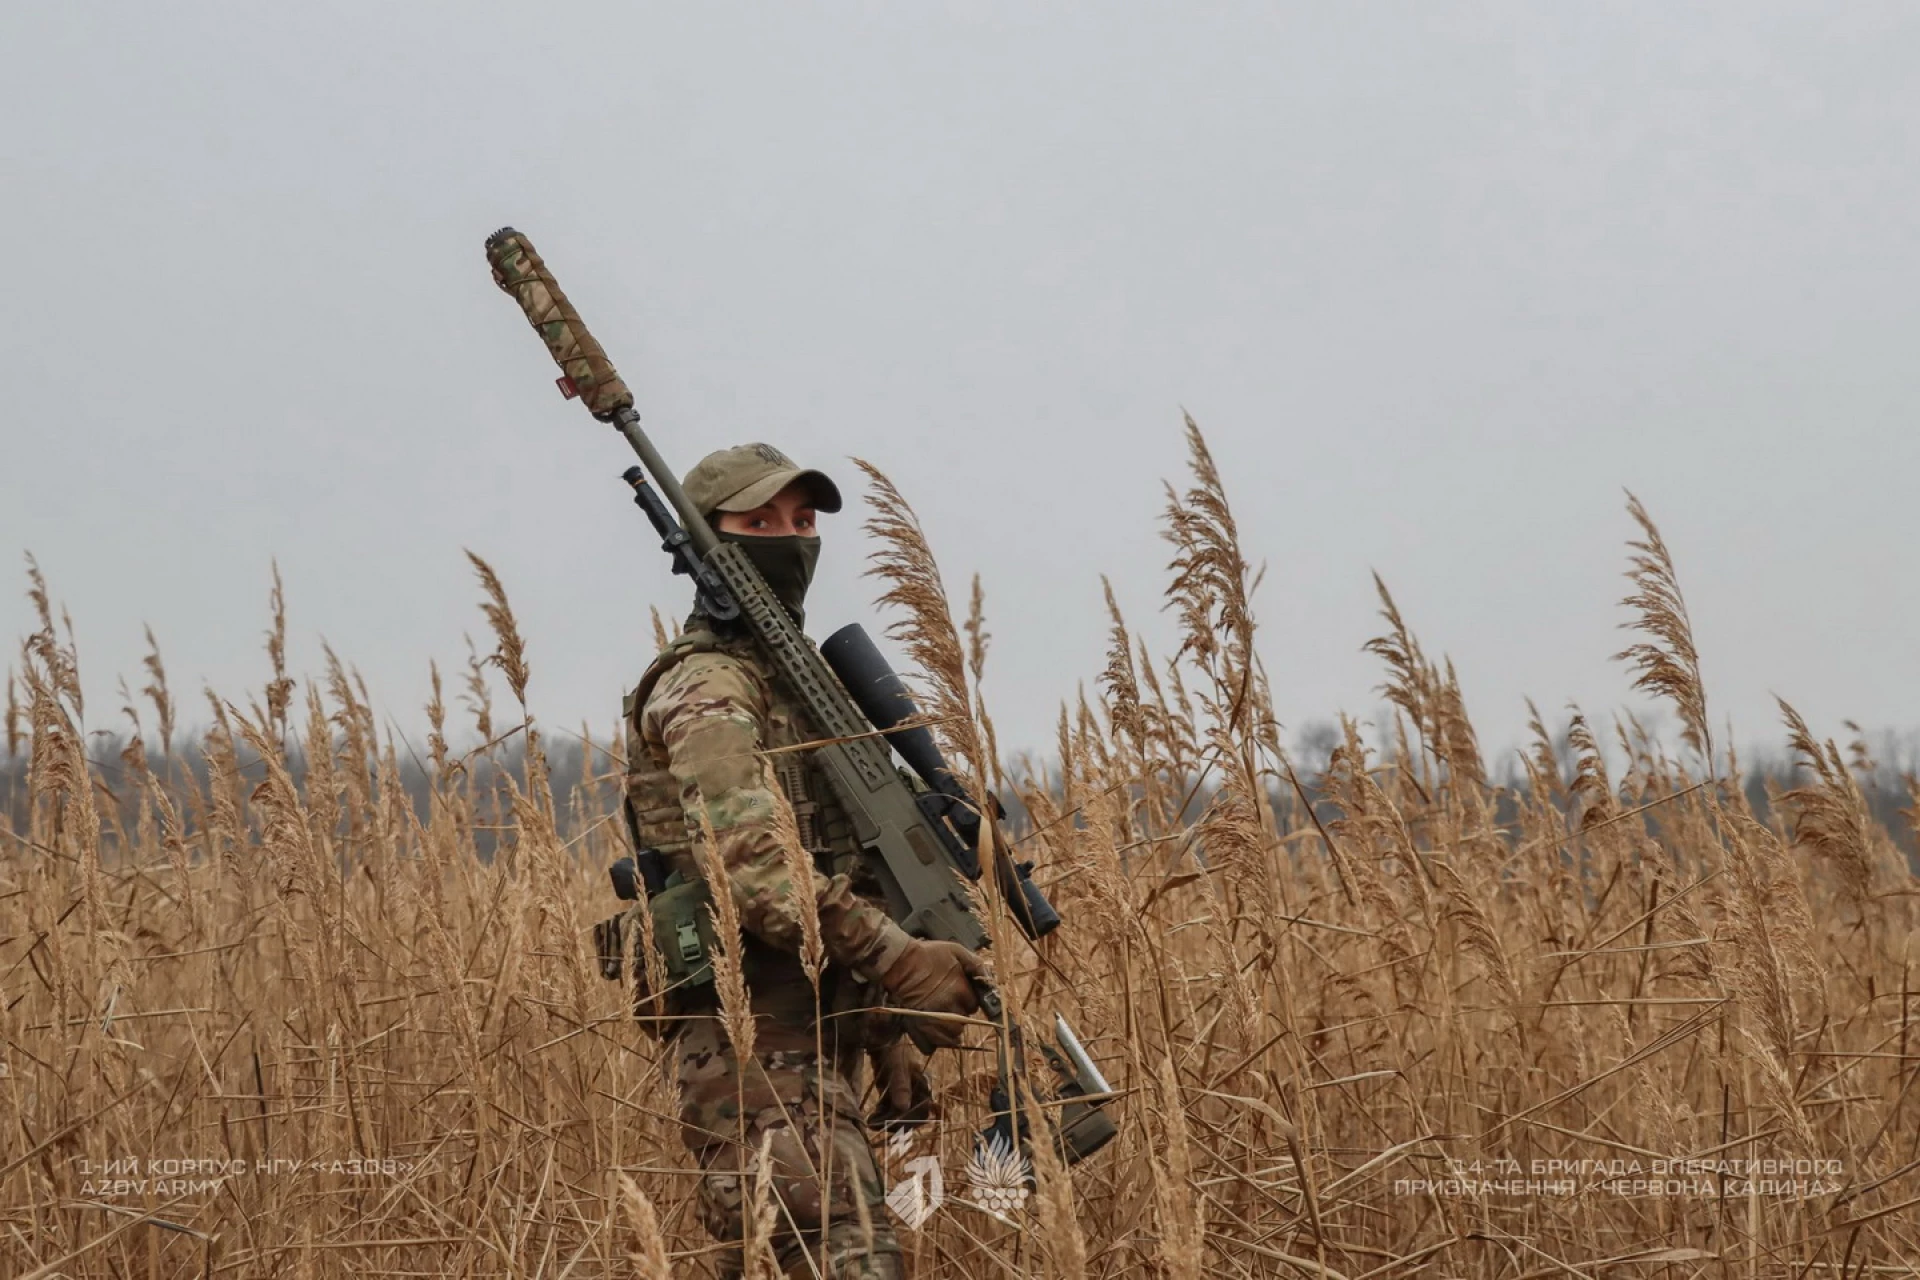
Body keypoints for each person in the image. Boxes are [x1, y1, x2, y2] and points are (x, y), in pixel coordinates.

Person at [620, 443, 988, 1279]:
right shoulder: (708, 683)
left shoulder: (796, 682)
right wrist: (898, 960)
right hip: (755, 1036)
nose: (789, 538)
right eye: (759, 523)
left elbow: (841, 858)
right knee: (840, 1255)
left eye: (803, 520)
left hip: (822, 1033)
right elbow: (748, 860)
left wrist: (883, 1020)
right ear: (711, 541)